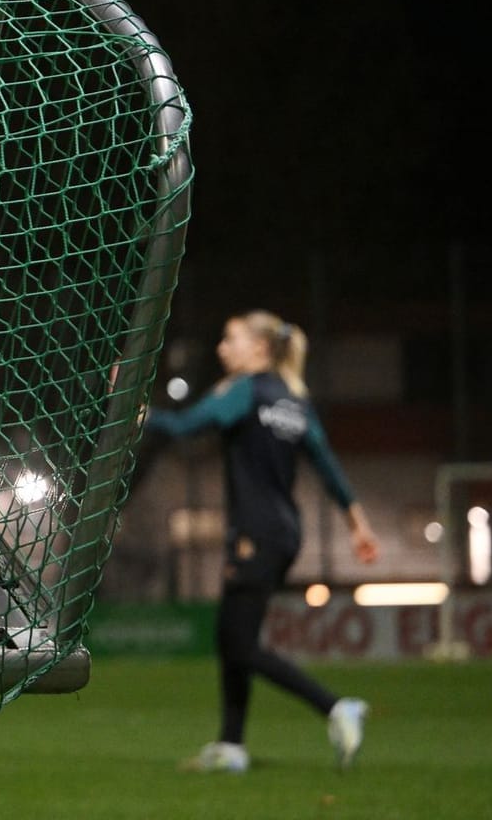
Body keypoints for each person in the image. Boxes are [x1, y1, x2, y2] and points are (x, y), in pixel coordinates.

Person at [144, 309, 380, 774]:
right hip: (285, 533)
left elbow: (184, 428)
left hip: (254, 532)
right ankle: (231, 746)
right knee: (232, 637)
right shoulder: (293, 399)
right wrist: (357, 522)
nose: (221, 348)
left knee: (240, 644)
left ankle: (336, 707)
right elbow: (326, 463)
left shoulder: (243, 392)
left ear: (259, 348)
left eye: (230, 339)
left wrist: (136, 409)